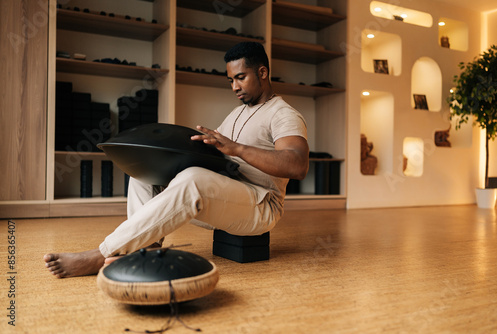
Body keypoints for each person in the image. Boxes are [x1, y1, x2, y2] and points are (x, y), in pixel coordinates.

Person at [44, 42, 309, 278]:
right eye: (230, 80)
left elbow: (297, 165)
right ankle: (143, 249)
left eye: (241, 77)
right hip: (227, 195)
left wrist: (237, 148)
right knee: (144, 174)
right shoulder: (237, 113)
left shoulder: (283, 114)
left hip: (261, 206)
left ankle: (100, 254)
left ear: (262, 72)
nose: (235, 87)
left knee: (192, 180)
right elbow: (219, 156)